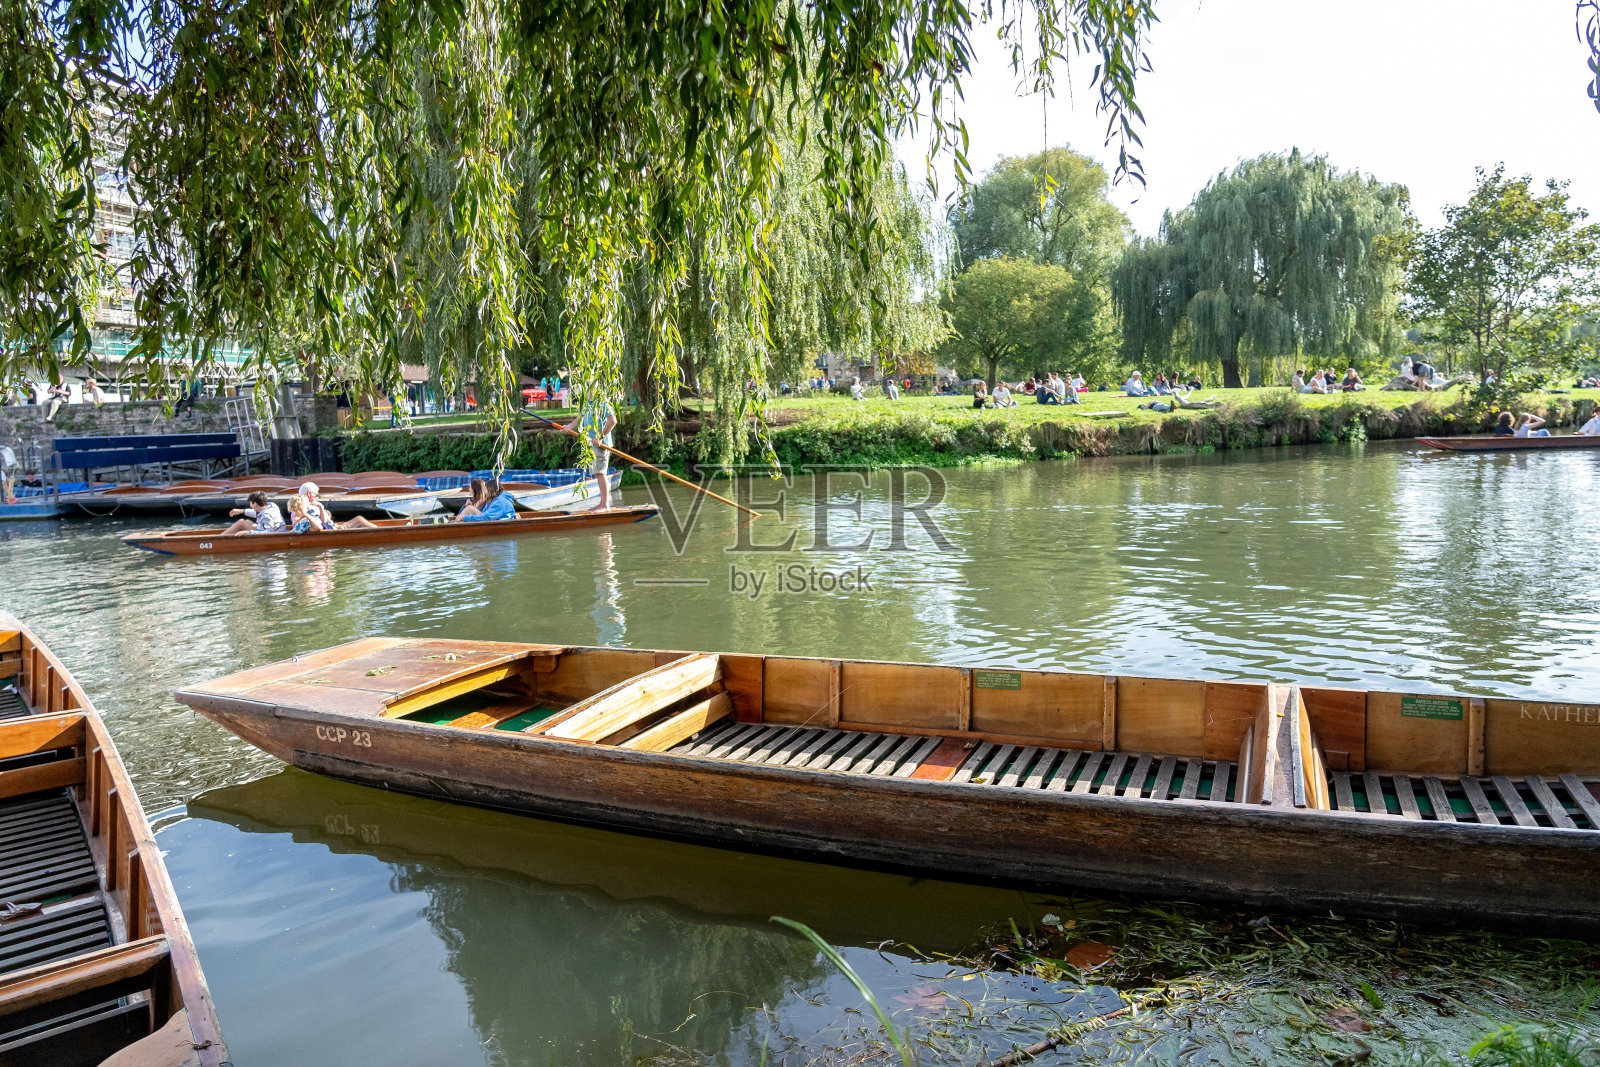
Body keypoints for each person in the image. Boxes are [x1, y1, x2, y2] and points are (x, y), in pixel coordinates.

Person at [566, 394, 618, 510]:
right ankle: (603, 503)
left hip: (600, 445)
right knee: (597, 473)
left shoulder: (602, 402)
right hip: (591, 445)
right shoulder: (587, 403)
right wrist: (569, 426)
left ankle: (604, 505)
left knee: (600, 473)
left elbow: (613, 421)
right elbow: (580, 417)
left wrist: (600, 437)